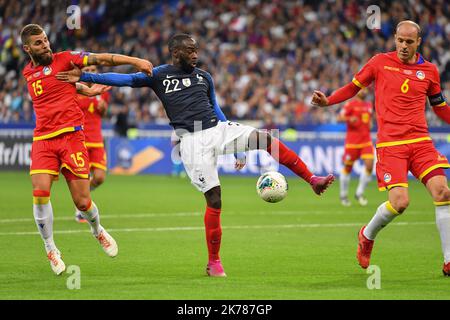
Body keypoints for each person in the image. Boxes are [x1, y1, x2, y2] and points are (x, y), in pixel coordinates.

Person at [56, 33, 335, 277]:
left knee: (265, 138)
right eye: (190, 51)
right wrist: (86, 76)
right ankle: (213, 262)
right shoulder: (160, 75)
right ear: (176, 52)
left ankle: (311, 180)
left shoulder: (204, 76)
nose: (196, 55)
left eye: (196, 50)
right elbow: (125, 79)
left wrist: (236, 144)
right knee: (214, 198)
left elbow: (215, 107)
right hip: (191, 142)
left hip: (217, 128)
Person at [311, 21, 450, 275]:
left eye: (409, 42)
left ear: (419, 42)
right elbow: (354, 87)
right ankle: (367, 235)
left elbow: (439, 106)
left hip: (421, 142)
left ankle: (449, 260)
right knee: (400, 202)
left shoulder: (430, 71)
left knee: (442, 192)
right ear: (394, 39)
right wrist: (328, 100)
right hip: (391, 145)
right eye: (400, 40)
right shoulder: (379, 62)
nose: (404, 46)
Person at [20, 23, 152, 275]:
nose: (45, 44)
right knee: (39, 192)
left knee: (82, 202)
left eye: (46, 39)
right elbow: (55, 86)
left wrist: (136, 61)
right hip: (44, 140)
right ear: (27, 48)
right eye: (38, 43)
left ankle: (97, 230)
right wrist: (83, 89)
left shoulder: (66, 59)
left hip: (72, 138)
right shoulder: (28, 73)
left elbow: (103, 59)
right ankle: (50, 248)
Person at [75, 65, 111, 223]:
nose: (90, 72)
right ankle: (81, 207)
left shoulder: (102, 90)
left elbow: (103, 112)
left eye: (93, 70)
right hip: (79, 140)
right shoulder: (75, 89)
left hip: (96, 140)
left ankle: (82, 200)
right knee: (83, 178)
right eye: (87, 70)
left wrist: (104, 109)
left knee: (100, 177)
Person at [337, 89, 374, 207]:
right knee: (348, 168)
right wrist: (349, 119)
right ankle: (343, 195)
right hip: (352, 142)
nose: (364, 91)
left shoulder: (369, 105)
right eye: (362, 89)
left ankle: (359, 193)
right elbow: (339, 118)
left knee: (369, 165)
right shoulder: (350, 104)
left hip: (366, 141)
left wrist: (370, 124)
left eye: (366, 89)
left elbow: (369, 119)